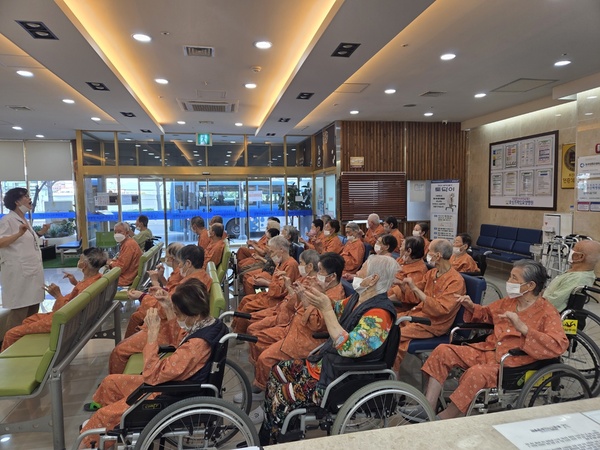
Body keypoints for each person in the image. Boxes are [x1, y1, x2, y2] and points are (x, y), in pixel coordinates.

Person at [257, 255, 398, 445]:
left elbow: (349, 347)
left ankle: (280, 441)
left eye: (362, 269)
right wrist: (314, 296)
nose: (356, 273)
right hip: (329, 366)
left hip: (343, 378)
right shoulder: (358, 298)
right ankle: (269, 433)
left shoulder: (379, 314)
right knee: (277, 371)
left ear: (373, 279)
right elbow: (337, 308)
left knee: (282, 395)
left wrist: (326, 308)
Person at [78, 278, 228, 448]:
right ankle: (113, 429)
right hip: (172, 384)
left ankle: (101, 430)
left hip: (170, 394)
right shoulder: (208, 325)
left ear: (192, 314)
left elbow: (152, 376)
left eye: (178, 314)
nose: (177, 318)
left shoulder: (196, 345)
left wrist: (152, 336)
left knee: (103, 415)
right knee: (110, 383)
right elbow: (177, 339)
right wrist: (168, 307)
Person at [420, 260, 569, 420]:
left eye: (514, 278)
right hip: (488, 350)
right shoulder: (508, 302)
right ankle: (428, 406)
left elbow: (558, 344)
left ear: (530, 285)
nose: (509, 281)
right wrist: (471, 306)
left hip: (512, 364)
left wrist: (524, 329)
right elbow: (487, 314)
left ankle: (444, 417)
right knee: (443, 351)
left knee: (475, 374)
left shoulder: (547, 312)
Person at [251, 252, 346, 394]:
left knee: (265, 358)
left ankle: (264, 390)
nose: (316, 275)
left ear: (332, 277)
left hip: (306, 340)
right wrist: (297, 291)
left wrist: (304, 299)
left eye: (320, 271)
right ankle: (263, 381)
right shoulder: (321, 286)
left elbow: (317, 325)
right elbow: (293, 307)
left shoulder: (335, 296)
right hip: (292, 328)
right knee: (258, 339)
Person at [110, 245, 212, 373]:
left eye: (180, 263)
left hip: (171, 330)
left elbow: (165, 310)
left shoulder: (189, 284)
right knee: (136, 320)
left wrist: (142, 296)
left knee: (119, 351)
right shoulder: (202, 278)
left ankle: (120, 380)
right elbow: (172, 300)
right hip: (176, 325)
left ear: (188, 263)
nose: (179, 266)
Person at [1, 247, 106, 351]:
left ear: (85, 264)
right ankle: (25, 351)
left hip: (64, 323)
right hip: (74, 320)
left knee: (11, 334)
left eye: (81, 258)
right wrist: (75, 283)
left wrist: (57, 295)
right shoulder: (97, 278)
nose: (79, 260)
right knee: (28, 320)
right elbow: (80, 296)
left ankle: (7, 358)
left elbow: (67, 311)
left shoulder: (86, 286)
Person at [393, 238, 466, 371]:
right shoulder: (432, 273)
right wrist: (402, 285)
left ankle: (389, 374)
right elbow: (414, 296)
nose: (427, 253)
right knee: (386, 321)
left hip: (433, 324)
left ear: (438, 256)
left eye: (429, 251)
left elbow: (441, 309)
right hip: (418, 314)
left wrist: (415, 289)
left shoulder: (456, 281)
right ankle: (390, 372)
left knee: (393, 334)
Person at [0, 188, 51, 335]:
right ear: (17, 201)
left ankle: (27, 338)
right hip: (19, 274)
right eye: (26, 196)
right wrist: (19, 233)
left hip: (32, 272)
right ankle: (10, 343)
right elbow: (1, 242)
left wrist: (41, 233)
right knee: (19, 311)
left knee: (33, 308)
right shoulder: (7, 220)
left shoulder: (23, 219)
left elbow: (27, 241)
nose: (29, 199)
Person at [232, 236, 300, 334]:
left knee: (247, 306)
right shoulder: (281, 263)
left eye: (272, 251)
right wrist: (265, 281)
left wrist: (266, 283)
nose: (271, 255)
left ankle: (239, 333)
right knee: (245, 299)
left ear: (281, 250)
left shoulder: (291, 265)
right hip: (271, 295)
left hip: (278, 299)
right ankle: (234, 327)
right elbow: (276, 282)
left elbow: (282, 291)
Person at [123, 242, 184, 338]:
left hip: (169, 314)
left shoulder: (178, 274)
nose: (166, 258)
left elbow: (165, 298)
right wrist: (161, 277)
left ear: (172, 258)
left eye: (167, 256)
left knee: (137, 316)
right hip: (171, 308)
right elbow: (169, 288)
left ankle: (131, 340)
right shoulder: (178, 272)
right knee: (139, 312)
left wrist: (153, 283)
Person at [543, 239, 600, 312]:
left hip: (548, 313)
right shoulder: (578, 272)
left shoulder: (577, 278)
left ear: (580, 257)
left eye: (574, 248)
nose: (571, 251)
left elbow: (553, 303)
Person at [387, 236, 428, 310]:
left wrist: (381, 301)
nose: (399, 248)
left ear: (409, 251)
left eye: (401, 246)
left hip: (394, 305)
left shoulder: (419, 271)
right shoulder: (402, 259)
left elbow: (411, 297)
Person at [107, 222, 142, 287]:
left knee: (100, 281)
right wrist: (112, 262)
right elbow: (122, 261)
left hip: (126, 279)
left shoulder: (128, 245)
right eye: (115, 232)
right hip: (129, 275)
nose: (117, 234)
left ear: (127, 233)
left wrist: (110, 263)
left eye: (120, 232)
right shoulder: (127, 242)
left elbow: (121, 268)